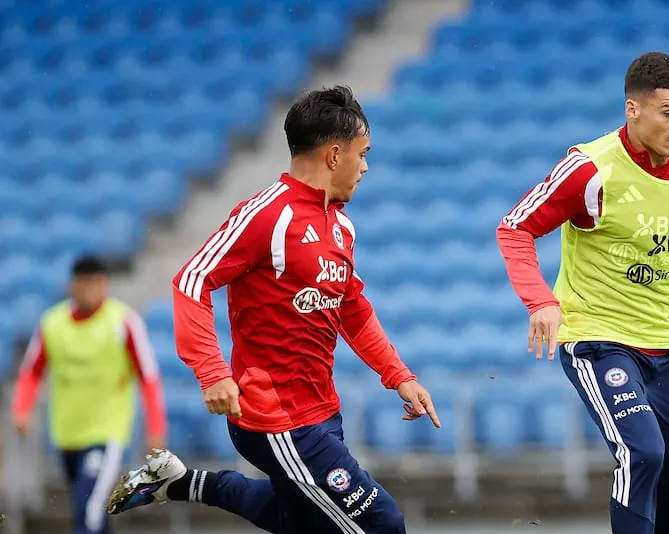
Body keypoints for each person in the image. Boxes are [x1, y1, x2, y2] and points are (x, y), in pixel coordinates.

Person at [105, 86, 440, 534]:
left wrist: (399, 376)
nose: (365, 167)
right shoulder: (267, 214)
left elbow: (353, 308)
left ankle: (182, 482)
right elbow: (191, 280)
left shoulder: (340, 225)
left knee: (301, 522)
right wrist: (212, 371)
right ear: (334, 155)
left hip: (322, 411)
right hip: (278, 420)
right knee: (384, 525)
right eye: (362, 154)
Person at [496, 51, 669, 534]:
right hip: (598, 337)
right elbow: (515, 228)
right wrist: (541, 301)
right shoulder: (589, 170)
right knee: (642, 453)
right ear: (633, 109)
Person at [11, 255, 167, 534]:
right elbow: (31, 372)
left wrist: (156, 429)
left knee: (88, 511)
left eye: (97, 283)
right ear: (73, 285)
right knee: (95, 513)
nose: (91, 290)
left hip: (107, 433)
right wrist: (22, 409)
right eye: (85, 283)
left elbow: (149, 378)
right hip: (67, 435)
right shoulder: (52, 323)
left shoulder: (123, 322)